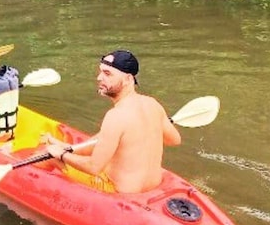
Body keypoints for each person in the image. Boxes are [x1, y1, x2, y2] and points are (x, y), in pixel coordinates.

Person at [45, 50, 181, 194]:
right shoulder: (152, 104)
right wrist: (69, 148)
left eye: (107, 74)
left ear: (128, 79)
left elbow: (94, 167)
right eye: (100, 72)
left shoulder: (115, 116)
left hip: (117, 192)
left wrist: (61, 154)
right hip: (151, 189)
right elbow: (174, 139)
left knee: (47, 156)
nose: (99, 77)